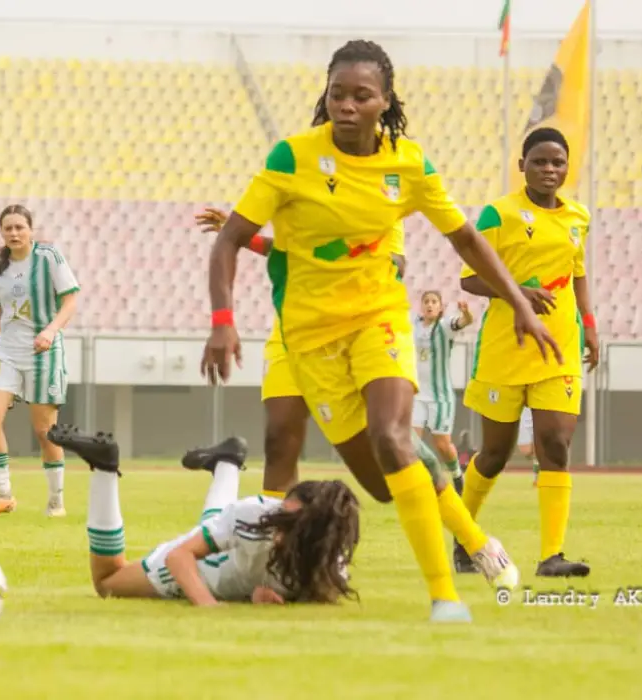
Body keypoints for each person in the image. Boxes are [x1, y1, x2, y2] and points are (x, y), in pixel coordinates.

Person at [201, 40, 558, 621]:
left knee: (392, 438)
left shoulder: (407, 164)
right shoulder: (292, 157)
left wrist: (516, 300)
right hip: (309, 338)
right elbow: (230, 240)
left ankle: (447, 594)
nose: (346, 105)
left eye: (361, 95)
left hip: (378, 319)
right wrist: (222, 322)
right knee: (388, 481)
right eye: (337, 94)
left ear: (384, 101)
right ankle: (468, 528)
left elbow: (466, 237)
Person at [196, 207, 457, 498]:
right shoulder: (312, 196)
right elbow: (289, 252)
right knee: (280, 439)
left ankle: (470, 536)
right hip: (300, 336)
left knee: (407, 458)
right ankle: (273, 536)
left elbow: (397, 264)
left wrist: (343, 253)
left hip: (357, 338)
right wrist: (244, 237)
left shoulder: (379, 204)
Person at [456, 127, 594, 578]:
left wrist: (589, 326)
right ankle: (463, 536)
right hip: (506, 347)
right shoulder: (500, 214)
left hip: (559, 347)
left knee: (555, 443)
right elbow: (469, 279)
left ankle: (551, 556)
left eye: (557, 162)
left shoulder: (578, 217)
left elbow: (578, 275)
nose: (550, 170)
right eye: (540, 162)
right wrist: (519, 293)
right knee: (495, 454)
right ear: (522, 166)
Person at [48, 423, 359, 606]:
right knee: (107, 582)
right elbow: (179, 558)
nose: (277, 528)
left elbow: (313, 591)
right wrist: (208, 605)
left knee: (220, 522)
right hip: (200, 570)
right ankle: (104, 468)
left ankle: (227, 462)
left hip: (225, 556)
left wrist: (258, 593)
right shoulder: (256, 516)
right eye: (279, 519)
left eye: (289, 526)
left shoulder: (329, 571)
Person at [0, 205, 79, 517]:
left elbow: (71, 299)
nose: (14, 233)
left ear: (31, 229)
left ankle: (55, 500)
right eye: (8, 228)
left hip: (43, 351)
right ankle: (3, 496)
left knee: (44, 431)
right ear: (1, 232)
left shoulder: (49, 257)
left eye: (19, 227)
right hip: (7, 351)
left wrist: (50, 330)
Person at [412, 290, 473, 491]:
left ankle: (456, 474)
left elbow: (464, 322)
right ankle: (421, 482)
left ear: (440, 307)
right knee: (412, 442)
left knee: (442, 445)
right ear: (421, 306)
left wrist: (466, 313)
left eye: (434, 301)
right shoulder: (414, 326)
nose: (430, 305)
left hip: (440, 397)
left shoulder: (445, 326)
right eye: (426, 301)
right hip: (417, 395)